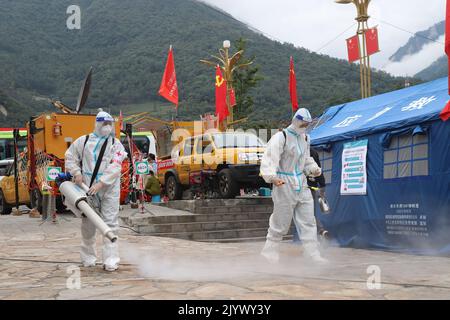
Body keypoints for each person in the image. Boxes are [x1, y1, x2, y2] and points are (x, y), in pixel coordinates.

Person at [260, 108, 328, 264]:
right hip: (284, 182)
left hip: (301, 182)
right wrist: (272, 177)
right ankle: (269, 253)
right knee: (280, 221)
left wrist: (313, 169)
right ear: (296, 120)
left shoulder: (305, 139)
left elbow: (306, 159)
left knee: (308, 220)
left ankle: (312, 254)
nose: (305, 126)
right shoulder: (281, 137)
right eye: (303, 123)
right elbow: (269, 158)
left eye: (307, 124)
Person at [65, 111, 127, 271]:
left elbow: (116, 165)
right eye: (103, 124)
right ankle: (88, 258)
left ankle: (111, 260)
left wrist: (101, 183)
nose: (106, 127)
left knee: (111, 223)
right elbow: (70, 156)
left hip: (109, 189)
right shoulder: (83, 141)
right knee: (88, 223)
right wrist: (77, 173)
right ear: (97, 124)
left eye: (109, 124)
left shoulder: (116, 144)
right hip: (87, 188)